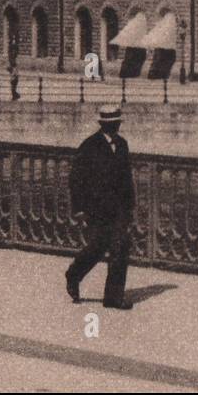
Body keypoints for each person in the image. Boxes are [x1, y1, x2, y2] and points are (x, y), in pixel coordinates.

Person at [65, 105, 135, 310]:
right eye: (113, 124)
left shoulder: (122, 144)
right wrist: (79, 208)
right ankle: (74, 274)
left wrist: (130, 206)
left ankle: (113, 297)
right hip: (97, 208)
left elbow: (126, 178)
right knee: (98, 246)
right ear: (104, 125)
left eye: (117, 123)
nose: (116, 126)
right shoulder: (89, 146)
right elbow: (76, 179)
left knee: (120, 248)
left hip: (119, 208)